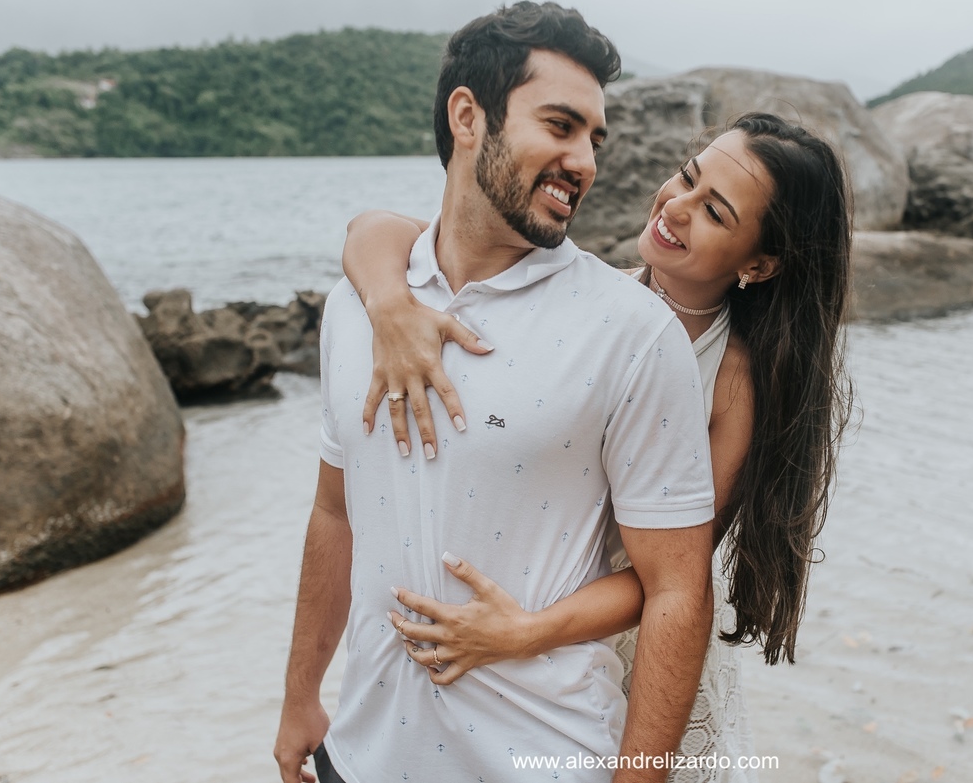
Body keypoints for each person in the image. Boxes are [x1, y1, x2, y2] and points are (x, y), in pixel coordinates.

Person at [274, 1, 719, 783]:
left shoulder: (633, 334)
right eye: (560, 124)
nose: (584, 159)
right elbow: (334, 512)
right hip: (359, 753)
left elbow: (679, 589)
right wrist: (299, 695)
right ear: (468, 116)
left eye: (594, 138)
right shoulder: (358, 305)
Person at [341, 112, 853, 781]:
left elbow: (671, 580)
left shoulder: (731, 382)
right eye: (687, 177)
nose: (676, 206)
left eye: (714, 211)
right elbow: (373, 229)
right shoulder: (588, 295)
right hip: (520, 623)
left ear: (758, 263)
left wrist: (523, 632)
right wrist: (388, 303)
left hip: (637, 648)